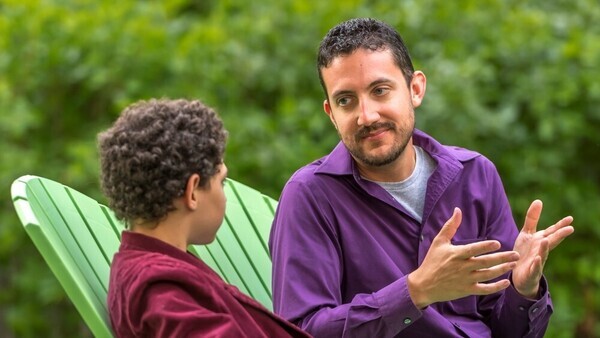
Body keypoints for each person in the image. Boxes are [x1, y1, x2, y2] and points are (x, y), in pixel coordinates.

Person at [269, 18, 574, 338]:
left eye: (380, 91)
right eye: (346, 100)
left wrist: (524, 291)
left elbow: (509, 331)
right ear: (331, 113)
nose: (366, 116)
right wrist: (415, 291)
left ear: (415, 89)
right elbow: (301, 331)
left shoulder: (475, 175)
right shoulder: (310, 196)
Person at [98, 98, 310, 337]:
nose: (224, 195)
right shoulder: (157, 288)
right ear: (192, 191)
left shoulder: (159, 269)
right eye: (222, 181)